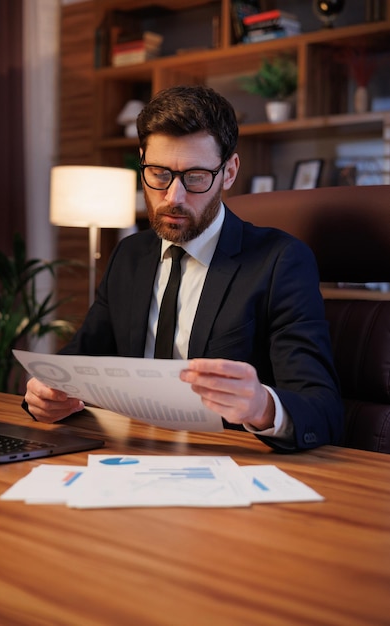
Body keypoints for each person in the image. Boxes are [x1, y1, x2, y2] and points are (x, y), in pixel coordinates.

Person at [23, 84, 343, 452]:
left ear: (229, 171)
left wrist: (261, 406)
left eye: (195, 177)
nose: (173, 198)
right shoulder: (130, 255)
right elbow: (76, 362)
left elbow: (324, 410)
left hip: (229, 466)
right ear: (142, 160)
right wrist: (45, 394)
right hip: (130, 457)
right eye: (159, 174)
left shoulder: (281, 261)